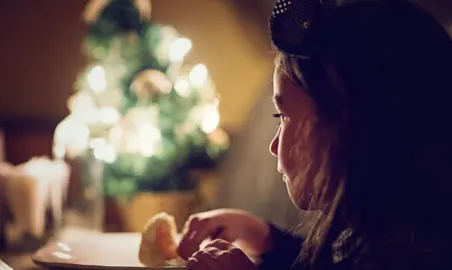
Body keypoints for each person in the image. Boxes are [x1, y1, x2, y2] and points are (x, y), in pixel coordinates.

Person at [177, 0, 452, 269]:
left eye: (282, 117)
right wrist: (263, 237)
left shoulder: (410, 255)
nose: (273, 146)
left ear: (348, 130)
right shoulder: (381, 233)